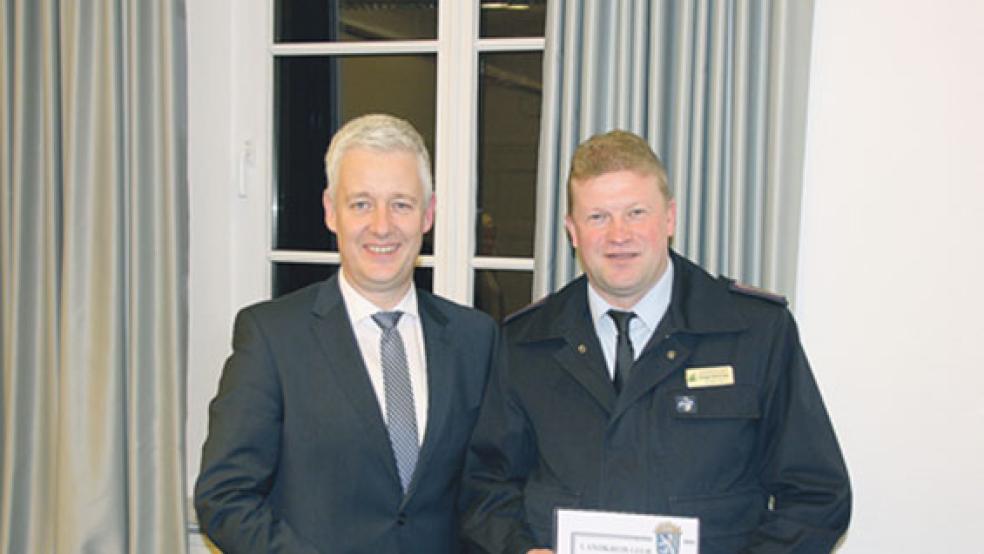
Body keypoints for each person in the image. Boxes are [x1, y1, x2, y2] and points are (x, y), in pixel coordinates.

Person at [459, 130, 851, 553]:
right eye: (597, 217)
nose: (618, 235)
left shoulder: (755, 333)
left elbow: (816, 494)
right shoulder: (524, 344)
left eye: (635, 213)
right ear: (572, 231)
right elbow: (485, 488)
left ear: (669, 218)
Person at [195, 114, 497, 553]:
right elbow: (223, 497)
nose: (381, 226)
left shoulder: (475, 339)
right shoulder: (272, 338)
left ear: (428, 214)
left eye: (401, 204)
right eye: (361, 204)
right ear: (330, 211)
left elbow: (486, 489)